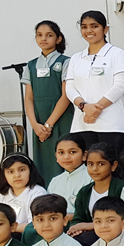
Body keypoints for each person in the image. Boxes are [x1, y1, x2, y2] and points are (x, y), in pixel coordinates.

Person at [65, 10, 124, 157]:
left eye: (94, 26)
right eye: (84, 27)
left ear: (105, 29)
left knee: (113, 166)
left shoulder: (117, 54)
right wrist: (84, 107)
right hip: (82, 125)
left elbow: (120, 85)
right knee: (87, 167)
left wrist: (95, 110)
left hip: (111, 124)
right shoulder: (76, 58)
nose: (89, 30)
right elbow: (70, 88)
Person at [22, 20, 73, 183]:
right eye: (39, 35)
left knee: (64, 158)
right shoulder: (31, 65)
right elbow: (28, 98)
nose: (43, 39)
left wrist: (48, 125)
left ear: (58, 39)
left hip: (61, 118)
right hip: (39, 122)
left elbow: (66, 96)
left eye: (49, 35)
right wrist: (35, 125)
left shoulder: (66, 62)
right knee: (43, 161)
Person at [65, 142, 124, 246]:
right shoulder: (84, 192)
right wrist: (76, 228)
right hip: (90, 235)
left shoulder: (122, 188)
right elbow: (77, 220)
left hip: (116, 234)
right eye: (90, 164)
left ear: (113, 165)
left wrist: (87, 226)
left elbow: (123, 219)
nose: (94, 168)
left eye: (101, 164)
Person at [47, 134, 92, 224]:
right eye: (61, 153)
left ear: (84, 155)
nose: (66, 157)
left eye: (72, 152)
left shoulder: (91, 177)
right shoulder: (55, 181)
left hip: (83, 224)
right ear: (56, 156)